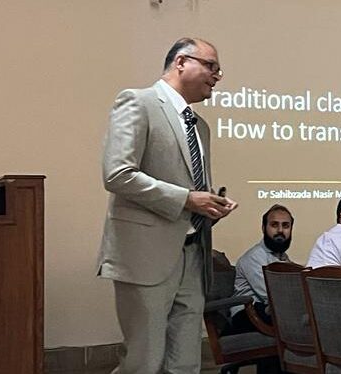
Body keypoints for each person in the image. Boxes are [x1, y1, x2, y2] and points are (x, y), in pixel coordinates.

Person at [97, 37, 237, 374]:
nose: (217, 76)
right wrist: (187, 199)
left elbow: (191, 189)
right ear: (181, 62)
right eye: (211, 66)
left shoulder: (199, 126)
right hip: (146, 255)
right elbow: (117, 174)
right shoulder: (138, 102)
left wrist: (209, 207)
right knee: (143, 361)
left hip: (193, 255)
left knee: (186, 362)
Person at [227, 204, 294, 334]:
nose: (280, 230)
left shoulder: (283, 258)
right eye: (274, 225)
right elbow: (273, 295)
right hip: (248, 316)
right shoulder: (254, 257)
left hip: (271, 312)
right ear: (263, 228)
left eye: (286, 226)